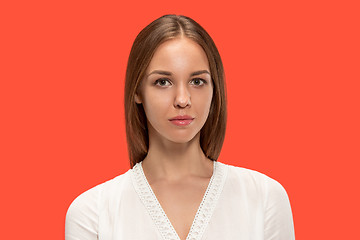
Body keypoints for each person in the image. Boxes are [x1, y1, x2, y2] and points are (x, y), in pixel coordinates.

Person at [65, 14, 295, 240]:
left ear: (214, 90)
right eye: (163, 82)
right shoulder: (92, 213)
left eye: (197, 81)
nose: (182, 99)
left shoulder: (264, 198)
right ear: (137, 91)